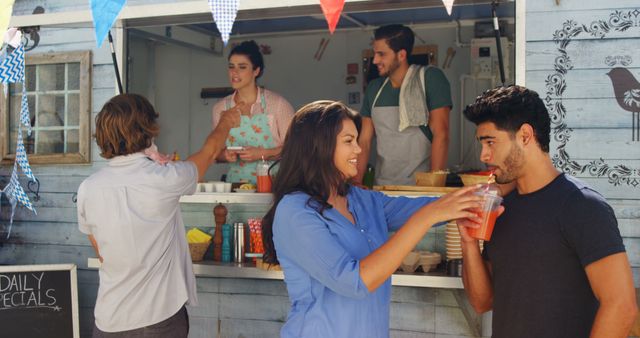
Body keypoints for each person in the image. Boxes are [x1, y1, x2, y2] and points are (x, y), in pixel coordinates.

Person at [262, 100, 483, 338]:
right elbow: (353, 281)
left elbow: (427, 208)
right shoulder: (295, 212)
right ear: (318, 147)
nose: (358, 150)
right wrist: (426, 219)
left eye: (357, 140)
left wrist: (489, 196)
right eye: (349, 141)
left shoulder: (361, 200)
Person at [459, 86, 637, 338]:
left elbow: (621, 306)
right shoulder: (500, 208)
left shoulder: (582, 205)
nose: (484, 155)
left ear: (525, 135)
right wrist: (468, 241)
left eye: (490, 142)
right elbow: (482, 302)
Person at [77, 94, 240, 337]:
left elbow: (101, 251)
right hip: (159, 320)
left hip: (109, 319)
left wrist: (148, 154)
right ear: (148, 130)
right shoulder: (166, 178)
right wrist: (226, 122)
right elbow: (207, 154)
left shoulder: (88, 188)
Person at [356, 24, 452, 186]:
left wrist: (434, 189)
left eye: (381, 54)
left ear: (401, 55)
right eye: (374, 54)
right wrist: (355, 183)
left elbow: (441, 135)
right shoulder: (374, 89)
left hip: (420, 188)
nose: (375, 60)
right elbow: (364, 142)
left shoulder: (430, 79)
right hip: (383, 187)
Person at [212, 40, 295, 183]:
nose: (234, 72)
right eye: (231, 67)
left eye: (242, 67)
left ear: (256, 71)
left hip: (275, 186)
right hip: (237, 187)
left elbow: (295, 149)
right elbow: (214, 152)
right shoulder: (221, 108)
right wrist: (225, 155)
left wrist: (263, 154)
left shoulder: (278, 104)